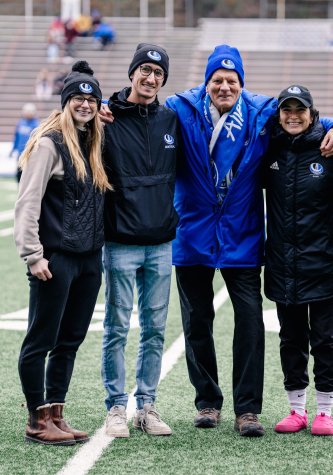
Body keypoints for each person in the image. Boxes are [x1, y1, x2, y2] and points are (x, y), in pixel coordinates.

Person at [164, 46, 333, 437]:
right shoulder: (180, 107)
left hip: (242, 238)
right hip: (193, 234)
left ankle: (248, 410)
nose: (225, 86)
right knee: (197, 323)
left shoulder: (262, 110)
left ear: (241, 83)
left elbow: (306, 117)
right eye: (217, 80)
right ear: (207, 83)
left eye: (232, 81)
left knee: (249, 323)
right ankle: (208, 402)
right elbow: (145, 118)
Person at [14, 61, 110, 445]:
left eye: (91, 98)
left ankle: (56, 413)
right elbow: (28, 202)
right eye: (78, 98)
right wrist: (33, 255)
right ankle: (37, 420)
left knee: (69, 340)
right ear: (66, 101)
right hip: (55, 259)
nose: (85, 104)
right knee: (41, 340)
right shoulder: (48, 142)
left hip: (89, 259)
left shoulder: (93, 141)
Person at [100, 44, 179, 438]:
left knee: (155, 329)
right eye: (144, 70)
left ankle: (146, 406)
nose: (151, 79)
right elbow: (69, 119)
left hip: (162, 243)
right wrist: (94, 105)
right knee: (116, 327)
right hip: (120, 243)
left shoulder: (171, 119)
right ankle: (116, 407)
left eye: (158, 73)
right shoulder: (106, 117)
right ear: (132, 73)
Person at [262, 85, 333, 436]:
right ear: (279, 114)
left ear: (313, 114)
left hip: (326, 263)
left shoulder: (332, 148)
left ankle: (324, 412)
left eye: (301, 109)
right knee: (291, 338)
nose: (293, 115)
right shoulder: (270, 146)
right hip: (284, 264)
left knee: (326, 338)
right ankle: (296, 409)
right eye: (287, 110)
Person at [10, 104, 40, 182]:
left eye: (29, 111)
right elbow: (16, 138)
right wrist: (13, 149)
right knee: (19, 176)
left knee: (28, 176)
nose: (27, 113)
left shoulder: (36, 124)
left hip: (30, 154)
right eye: (26, 111)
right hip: (20, 154)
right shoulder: (20, 123)